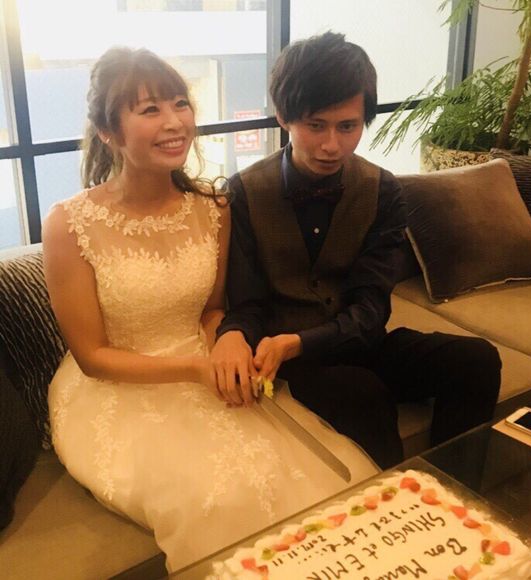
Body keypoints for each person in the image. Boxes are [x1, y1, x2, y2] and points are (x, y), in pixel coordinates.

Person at [42, 46, 378, 572]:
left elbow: (214, 309)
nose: (174, 121)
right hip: (116, 391)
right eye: (150, 109)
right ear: (108, 131)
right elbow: (92, 356)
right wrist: (196, 368)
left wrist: (229, 344)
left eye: (180, 103)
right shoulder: (69, 224)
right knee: (218, 497)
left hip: (207, 367)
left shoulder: (214, 206)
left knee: (325, 475)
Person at [213, 31, 502, 469]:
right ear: (283, 117)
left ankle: (452, 492)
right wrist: (240, 336)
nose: (332, 145)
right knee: (362, 393)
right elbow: (247, 302)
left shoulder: (383, 190)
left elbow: (371, 308)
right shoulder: (244, 192)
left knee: (476, 359)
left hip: (356, 340)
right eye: (316, 125)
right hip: (288, 362)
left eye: (347, 127)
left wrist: (306, 341)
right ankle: (391, 502)